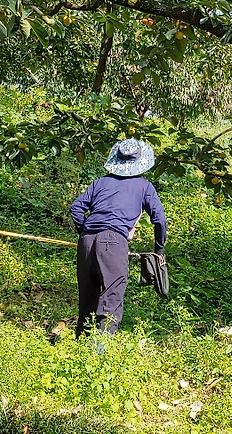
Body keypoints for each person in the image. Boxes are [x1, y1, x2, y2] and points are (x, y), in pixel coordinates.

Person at [69, 138, 167, 338]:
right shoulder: (144, 186)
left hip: (87, 242)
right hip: (114, 242)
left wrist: (85, 232)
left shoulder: (100, 182)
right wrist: (159, 250)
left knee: (87, 300)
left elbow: (76, 208)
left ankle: (79, 349)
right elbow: (159, 219)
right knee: (111, 300)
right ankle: (100, 355)